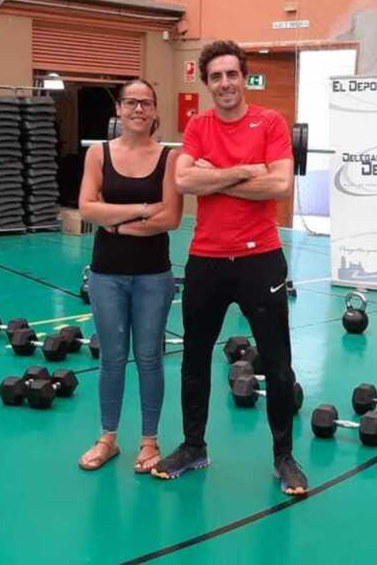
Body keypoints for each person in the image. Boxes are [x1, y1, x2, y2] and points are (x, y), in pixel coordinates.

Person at [151, 40, 308, 495]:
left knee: (278, 365)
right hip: (207, 259)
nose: (225, 83)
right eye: (216, 77)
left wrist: (215, 175)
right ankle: (194, 446)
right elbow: (183, 179)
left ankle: (284, 458)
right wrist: (244, 171)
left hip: (261, 259)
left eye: (231, 74)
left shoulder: (271, 122)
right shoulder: (199, 125)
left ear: (244, 77)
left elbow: (278, 184)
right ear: (207, 84)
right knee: (195, 360)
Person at [77, 79, 182, 473]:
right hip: (107, 275)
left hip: (154, 275)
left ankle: (149, 442)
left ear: (155, 112)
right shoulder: (98, 155)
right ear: (119, 110)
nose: (138, 109)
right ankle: (108, 439)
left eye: (146, 103)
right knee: (112, 360)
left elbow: (170, 217)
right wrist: (142, 210)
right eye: (131, 102)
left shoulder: (169, 158)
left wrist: (116, 218)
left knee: (150, 358)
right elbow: (87, 208)